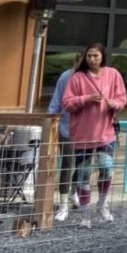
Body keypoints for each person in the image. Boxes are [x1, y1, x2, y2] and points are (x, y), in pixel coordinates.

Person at [61, 43, 127, 227]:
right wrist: (86, 99)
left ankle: (102, 203)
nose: (92, 59)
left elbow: (122, 98)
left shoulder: (113, 74)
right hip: (83, 133)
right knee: (83, 173)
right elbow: (66, 103)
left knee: (106, 167)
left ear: (102, 57)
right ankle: (84, 213)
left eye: (95, 56)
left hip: (105, 131)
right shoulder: (77, 78)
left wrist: (115, 104)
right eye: (89, 56)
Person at [45, 65, 77, 222]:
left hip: (88, 129)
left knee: (83, 163)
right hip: (66, 126)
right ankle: (63, 205)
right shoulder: (66, 76)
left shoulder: (95, 78)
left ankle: (75, 190)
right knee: (67, 161)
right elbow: (56, 99)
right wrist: (51, 118)